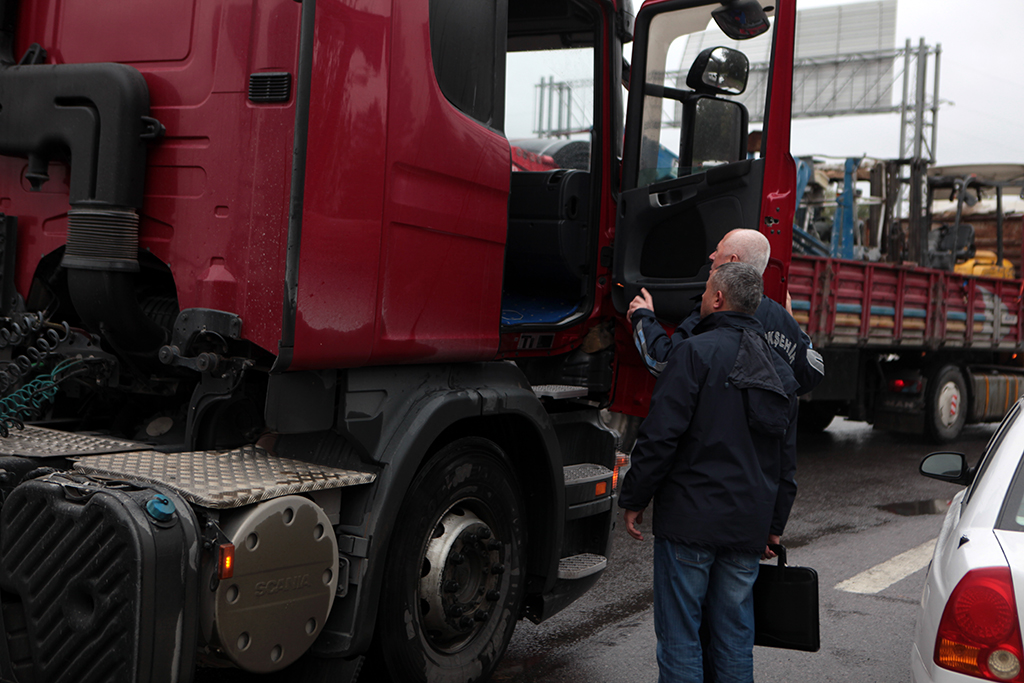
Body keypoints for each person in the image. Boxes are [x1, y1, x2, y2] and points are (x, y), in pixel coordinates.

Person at [618, 262, 798, 683]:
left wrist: (634, 498)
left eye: (704, 293)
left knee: (681, 636)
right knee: (735, 636)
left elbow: (661, 435)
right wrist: (773, 527)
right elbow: (786, 460)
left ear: (717, 299)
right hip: (746, 528)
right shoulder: (781, 371)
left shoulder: (693, 352)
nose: (700, 299)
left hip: (689, 522)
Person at [627, 228, 824, 395]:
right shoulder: (781, 316)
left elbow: (663, 363)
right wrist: (793, 327)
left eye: (717, 250)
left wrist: (642, 315)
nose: (711, 256)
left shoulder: (716, 311)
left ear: (732, 260)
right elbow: (812, 370)